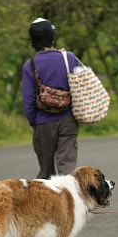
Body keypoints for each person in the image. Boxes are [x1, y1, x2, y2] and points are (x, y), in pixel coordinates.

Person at [22, 18, 82, 179]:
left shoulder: (30, 65)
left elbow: (28, 101)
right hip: (68, 120)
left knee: (46, 172)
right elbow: (82, 86)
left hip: (43, 122)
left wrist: (34, 121)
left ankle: (47, 203)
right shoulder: (68, 58)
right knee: (67, 169)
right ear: (52, 37)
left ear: (33, 41)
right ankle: (71, 201)